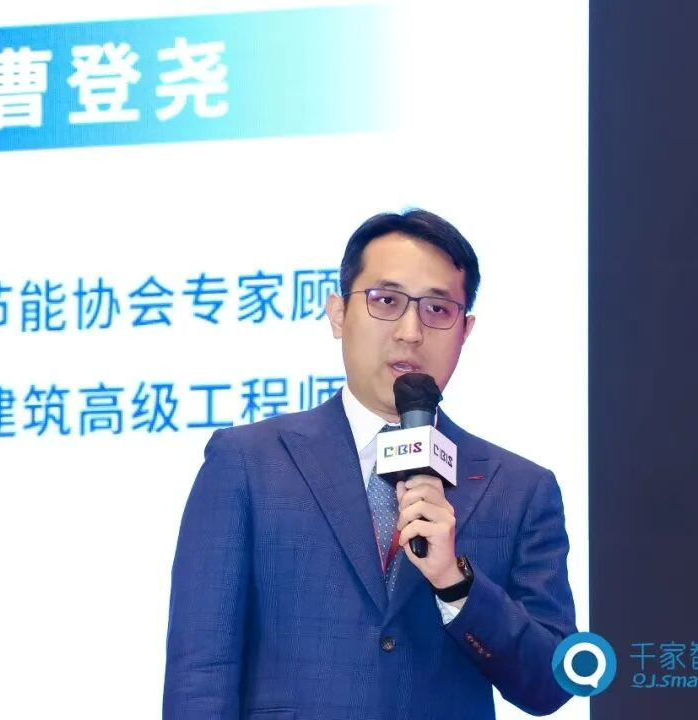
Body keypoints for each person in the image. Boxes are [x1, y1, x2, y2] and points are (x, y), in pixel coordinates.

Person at [163, 209, 577, 719]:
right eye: (386, 301)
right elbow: (201, 671)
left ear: (465, 330)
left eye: (437, 309)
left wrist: (455, 582)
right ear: (338, 313)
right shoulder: (249, 462)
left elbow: (551, 683)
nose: (411, 332)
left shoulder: (519, 489)